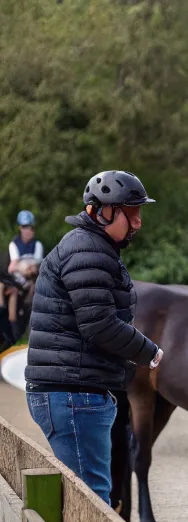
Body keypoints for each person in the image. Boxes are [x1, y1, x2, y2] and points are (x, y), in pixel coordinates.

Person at [25, 172, 162, 504]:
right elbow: (99, 324)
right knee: (93, 503)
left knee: (88, 497)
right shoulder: (89, 250)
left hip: (74, 390)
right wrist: (149, 352)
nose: (138, 223)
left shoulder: (92, 247)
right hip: (73, 394)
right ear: (103, 211)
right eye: (131, 213)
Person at [4, 210, 43, 338]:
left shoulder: (37, 244)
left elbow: (35, 267)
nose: (28, 230)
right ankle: (13, 329)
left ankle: (32, 327)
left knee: (35, 286)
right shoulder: (14, 244)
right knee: (13, 291)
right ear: (20, 228)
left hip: (32, 281)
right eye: (25, 227)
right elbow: (12, 266)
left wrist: (23, 267)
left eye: (30, 227)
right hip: (17, 281)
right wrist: (24, 268)